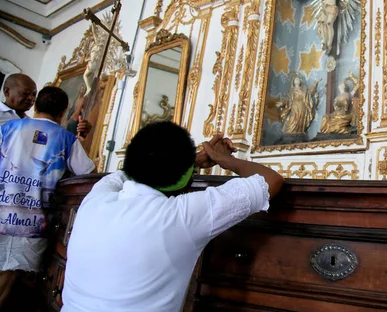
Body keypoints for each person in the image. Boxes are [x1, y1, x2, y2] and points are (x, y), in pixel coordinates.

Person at [62, 121, 285, 312]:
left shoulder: (96, 198)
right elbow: (271, 180)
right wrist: (222, 159)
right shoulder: (179, 217)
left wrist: (189, 161)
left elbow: (120, 174)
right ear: (185, 177)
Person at [0, 86, 96, 309]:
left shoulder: (8, 128)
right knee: (9, 275)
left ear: (35, 106)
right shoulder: (65, 138)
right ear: (63, 112)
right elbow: (89, 176)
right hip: (32, 223)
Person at [1, 74, 91, 137]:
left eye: (33, 94)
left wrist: (80, 132)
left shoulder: (31, 123)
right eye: (25, 93)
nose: (31, 98)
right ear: (7, 91)